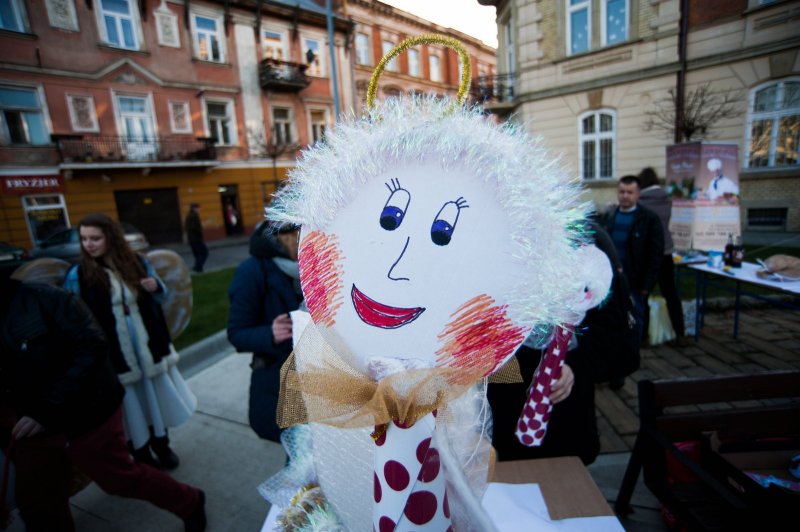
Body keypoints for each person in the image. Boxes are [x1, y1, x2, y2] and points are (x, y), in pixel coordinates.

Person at [0, 276, 206, 532]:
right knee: (39, 501)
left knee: (119, 478)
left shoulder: (45, 298)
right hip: (28, 429)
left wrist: (46, 410)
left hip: (86, 415)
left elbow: (93, 346)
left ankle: (190, 501)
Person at [64, 213, 196, 470]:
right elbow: (75, 319)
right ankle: (141, 453)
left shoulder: (135, 262)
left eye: (95, 238)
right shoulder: (78, 274)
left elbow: (161, 297)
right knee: (131, 406)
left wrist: (154, 287)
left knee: (153, 401)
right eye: (84, 239)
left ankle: (162, 444)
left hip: (147, 347)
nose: (89, 244)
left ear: (110, 238)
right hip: (115, 355)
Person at [227, 221, 303, 443]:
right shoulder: (252, 271)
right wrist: (269, 333)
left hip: (321, 376)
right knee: (300, 453)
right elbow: (236, 332)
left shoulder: (318, 264)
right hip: (279, 378)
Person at [600, 175, 664, 347]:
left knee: (637, 315)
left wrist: (646, 285)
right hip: (612, 279)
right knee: (613, 314)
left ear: (637, 194)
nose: (625, 196)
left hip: (636, 280)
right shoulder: (609, 216)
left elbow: (655, 255)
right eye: (622, 192)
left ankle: (637, 345)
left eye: (630, 192)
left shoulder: (649, 219)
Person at [638, 167, 690, 346]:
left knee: (643, 294)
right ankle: (681, 333)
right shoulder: (668, 199)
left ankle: (643, 336)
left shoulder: (640, 202)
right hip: (666, 252)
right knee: (671, 294)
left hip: (648, 255)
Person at [185, 203, 208, 273]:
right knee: (204, 252)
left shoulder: (189, 216)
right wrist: (200, 228)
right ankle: (197, 267)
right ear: (194, 208)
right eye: (198, 208)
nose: (199, 210)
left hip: (191, 239)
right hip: (196, 238)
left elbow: (187, 227)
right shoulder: (194, 216)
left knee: (197, 254)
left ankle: (199, 269)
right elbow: (194, 228)